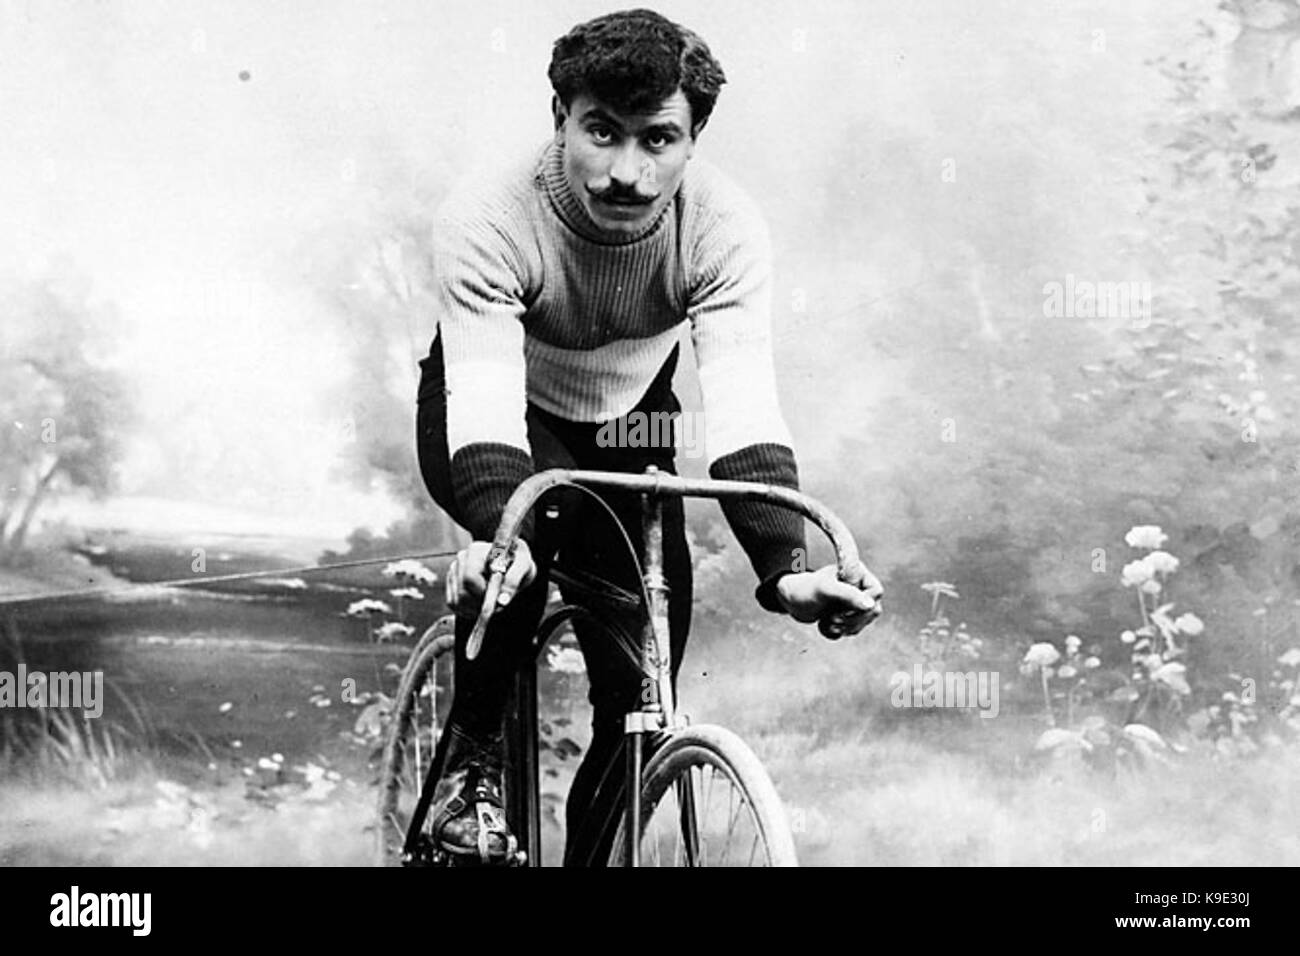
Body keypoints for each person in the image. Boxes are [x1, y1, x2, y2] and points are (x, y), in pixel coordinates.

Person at [415, 7, 883, 866]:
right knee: (533, 538)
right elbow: (484, 402)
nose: (626, 172)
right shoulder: (487, 214)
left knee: (642, 680)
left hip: (631, 420)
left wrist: (787, 571)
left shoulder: (724, 226)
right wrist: (498, 532)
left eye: (657, 140)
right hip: (497, 411)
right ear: (560, 117)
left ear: (695, 136)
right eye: (601, 131)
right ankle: (469, 777)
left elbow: (744, 408)